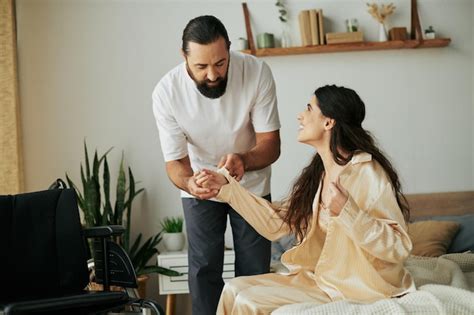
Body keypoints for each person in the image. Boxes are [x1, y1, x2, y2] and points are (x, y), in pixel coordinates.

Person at [196, 85, 416, 314]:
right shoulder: (319, 173)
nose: (301, 115)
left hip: (356, 288)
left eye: (309, 108)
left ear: (328, 122)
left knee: (248, 302)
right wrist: (228, 189)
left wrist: (348, 212)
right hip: (319, 279)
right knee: (233, 287)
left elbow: (399, 246)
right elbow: (277, 223)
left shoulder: (367, 173)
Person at [151, 15, 281, 315]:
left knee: (254, 271)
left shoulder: (256, 71)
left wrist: (243, 160)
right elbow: (175, 164)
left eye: (220, 63)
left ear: (229, 50)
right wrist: (190, 183)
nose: (212, 74)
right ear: (184, 56)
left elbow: (271, 145)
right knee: (203, 270)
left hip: (251, 183)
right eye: (201, 66)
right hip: (200, 186)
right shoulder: (166, 92)